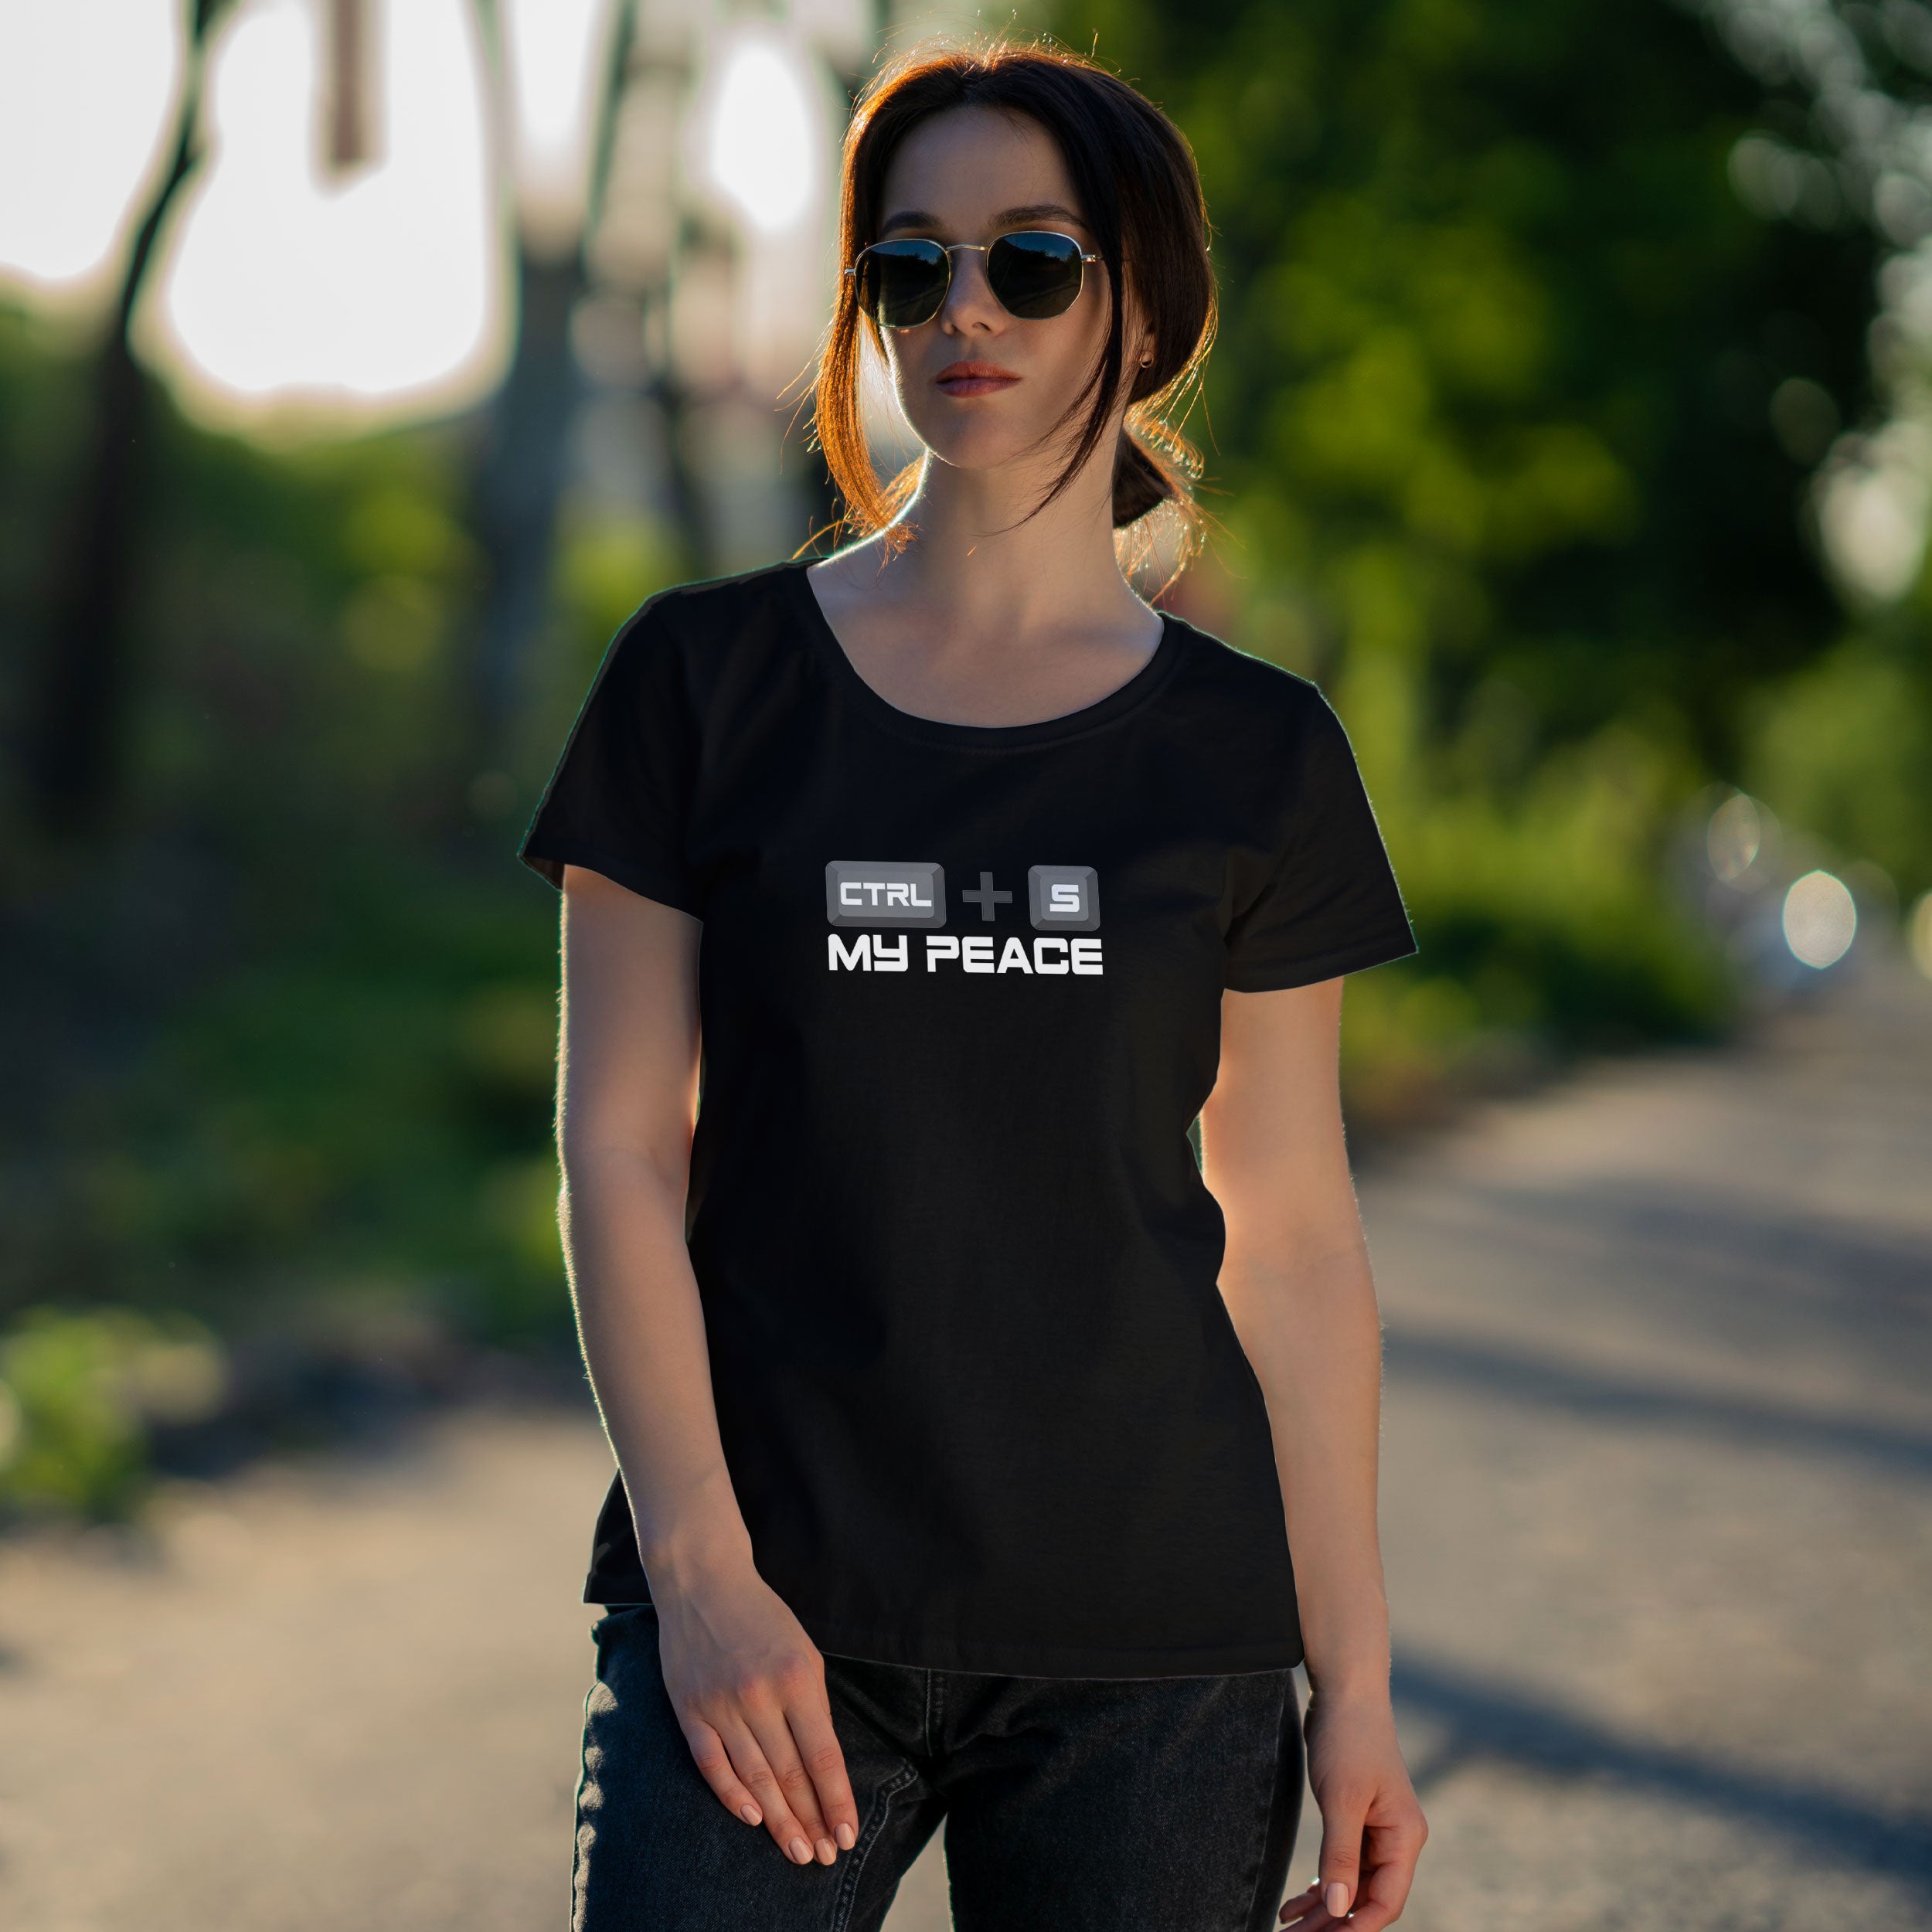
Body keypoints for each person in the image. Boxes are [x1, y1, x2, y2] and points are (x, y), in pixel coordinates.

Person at [517, 32, 1429, 1932]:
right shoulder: (702, 680)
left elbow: (1292, 1236)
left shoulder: (1256, 754)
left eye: (1028, 259)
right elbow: (618, 1151)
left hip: (1154, 1651)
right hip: (770, 1606)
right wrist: (698, 1575)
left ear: (1143, 308)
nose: (964, 311)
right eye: (909, 265)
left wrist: (1353, 1681)